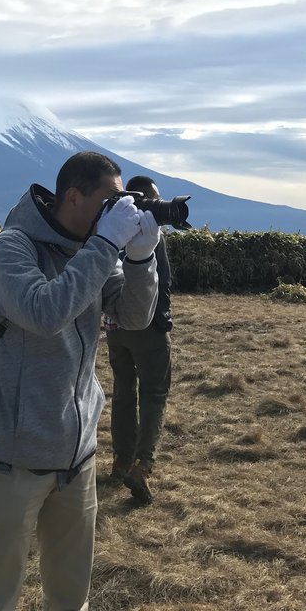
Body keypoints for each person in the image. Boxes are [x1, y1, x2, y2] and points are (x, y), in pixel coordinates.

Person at [0, 150, 160, 611]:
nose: (117, 212)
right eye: (109, 202)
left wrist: (141, 258)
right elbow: (45, 313)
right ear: (72, 197)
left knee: (70, 601)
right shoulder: (13, 248)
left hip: (77, 455)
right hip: (15, 456)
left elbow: (133, 317)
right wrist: (106, 244)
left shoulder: (94, 250)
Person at [104, 175, 173, 505]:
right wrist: (164, 319)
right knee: (154, 394)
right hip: (148, 327)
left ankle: (120, 459)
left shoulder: (113, 227)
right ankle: (142, 466)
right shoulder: (149, 231)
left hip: (115, 327)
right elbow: (162, 279)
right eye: (155, 199)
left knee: (123, 390)